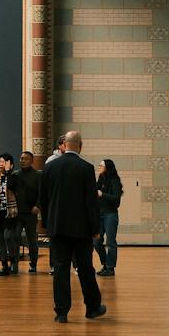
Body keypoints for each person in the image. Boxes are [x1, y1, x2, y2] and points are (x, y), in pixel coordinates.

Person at [39, 129, 106, 323]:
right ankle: (92, 308)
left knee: (60, 269)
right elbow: (91, 202)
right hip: (81, 229)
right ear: (80, 146)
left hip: (58, 228)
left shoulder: (49, 167)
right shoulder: (86, 168)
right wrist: (95, 228)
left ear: (64, 145)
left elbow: (43, 199)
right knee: (85, 269)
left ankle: (61, 312)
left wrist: (47, 224)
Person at [10, 150, 42, 272]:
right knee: (15, 238)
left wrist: (38, 206)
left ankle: (33, 264)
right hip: (17, 213)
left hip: (30, 213)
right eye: (21, 158)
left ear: (31, 161)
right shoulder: (15, 174)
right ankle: (14, 264)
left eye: (26, 159)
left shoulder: (37, 175)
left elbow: (41, 193)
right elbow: (10, 191)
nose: (22, 161)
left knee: (32, 240)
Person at [96, 157, 122, 276]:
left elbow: (116, 199)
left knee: (110, 241)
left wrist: (102, 194)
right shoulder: (101, 179)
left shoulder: (114, 181)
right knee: (96, 241)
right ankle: (105, 264)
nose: (99, 167)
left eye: (101, 166)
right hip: (99, 214)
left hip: (110, 214)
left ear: (107, 168)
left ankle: (110, 268)